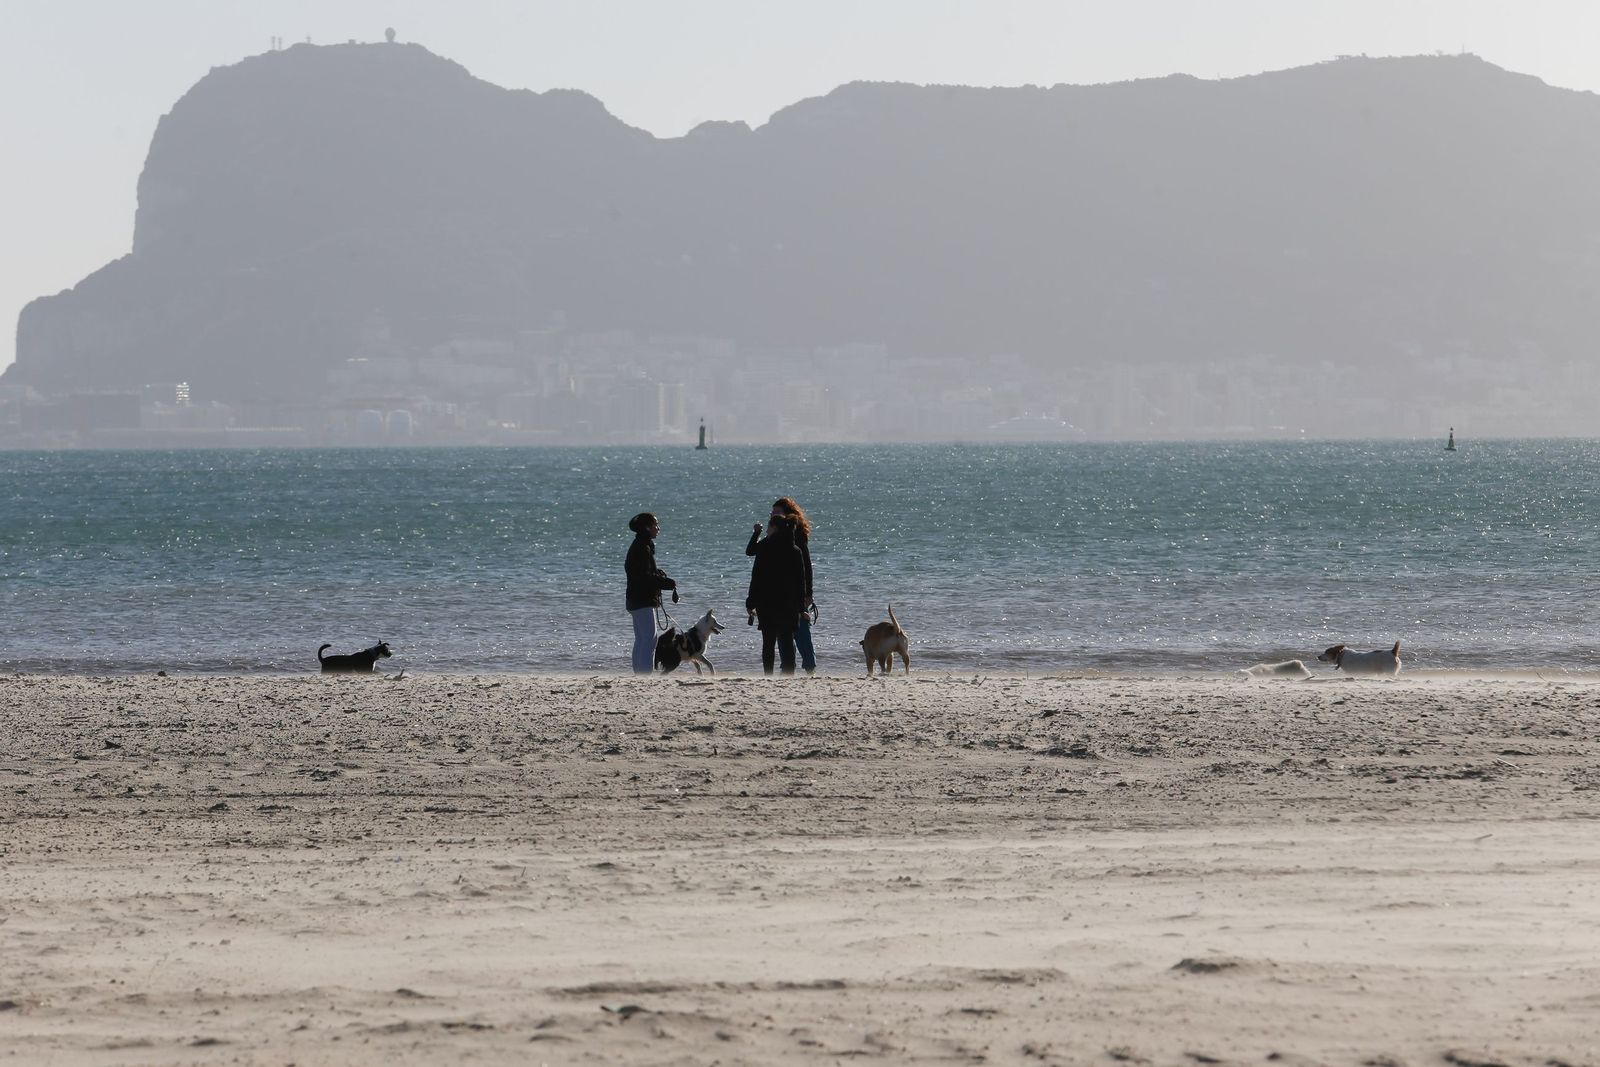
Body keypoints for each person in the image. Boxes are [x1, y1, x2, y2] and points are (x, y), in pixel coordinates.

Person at [746, 497, 818, 673]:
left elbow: (805, 569)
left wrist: (807, 596)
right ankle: (787, 671)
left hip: (788, 600)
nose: (772, 514)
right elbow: (753, 560)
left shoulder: (796, 538)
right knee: (783, 639)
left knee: (799, 635)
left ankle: (808, 668)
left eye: (776, 512)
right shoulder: (769, 543)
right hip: (783, 601)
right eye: (772, 512)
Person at [625, 512, 677, 674]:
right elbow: (644, 576)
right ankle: (644, 674)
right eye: (655, 525)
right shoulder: (642, 547)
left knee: (642, 638)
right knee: (649, 638)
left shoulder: (640, 545)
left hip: (635, 598)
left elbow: (642, 573)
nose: (658, 528)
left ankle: (640, 673)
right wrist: (666, 583)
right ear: (647, 528)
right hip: (642, 599)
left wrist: (657, 574)